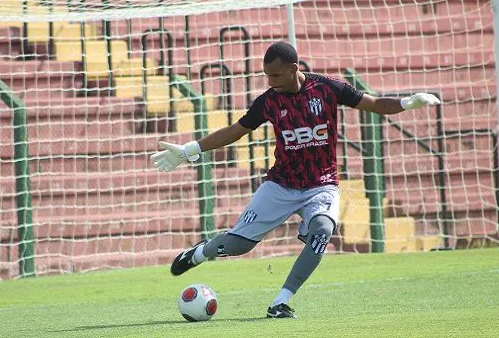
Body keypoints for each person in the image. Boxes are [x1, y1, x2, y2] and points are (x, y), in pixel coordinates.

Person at [150, 41, 440, 318]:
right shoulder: (268, 102)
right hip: (281, 185)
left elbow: (374, 104)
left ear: (294, 67)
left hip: (321, 184)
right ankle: (201, 252)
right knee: (239, 246)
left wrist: (406, 102)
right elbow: (235, 131)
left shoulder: (328, 88)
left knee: (323, 230)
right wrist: (190, 150)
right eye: (266, 75)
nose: (270, 81)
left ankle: (281, 301)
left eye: (275, 74)